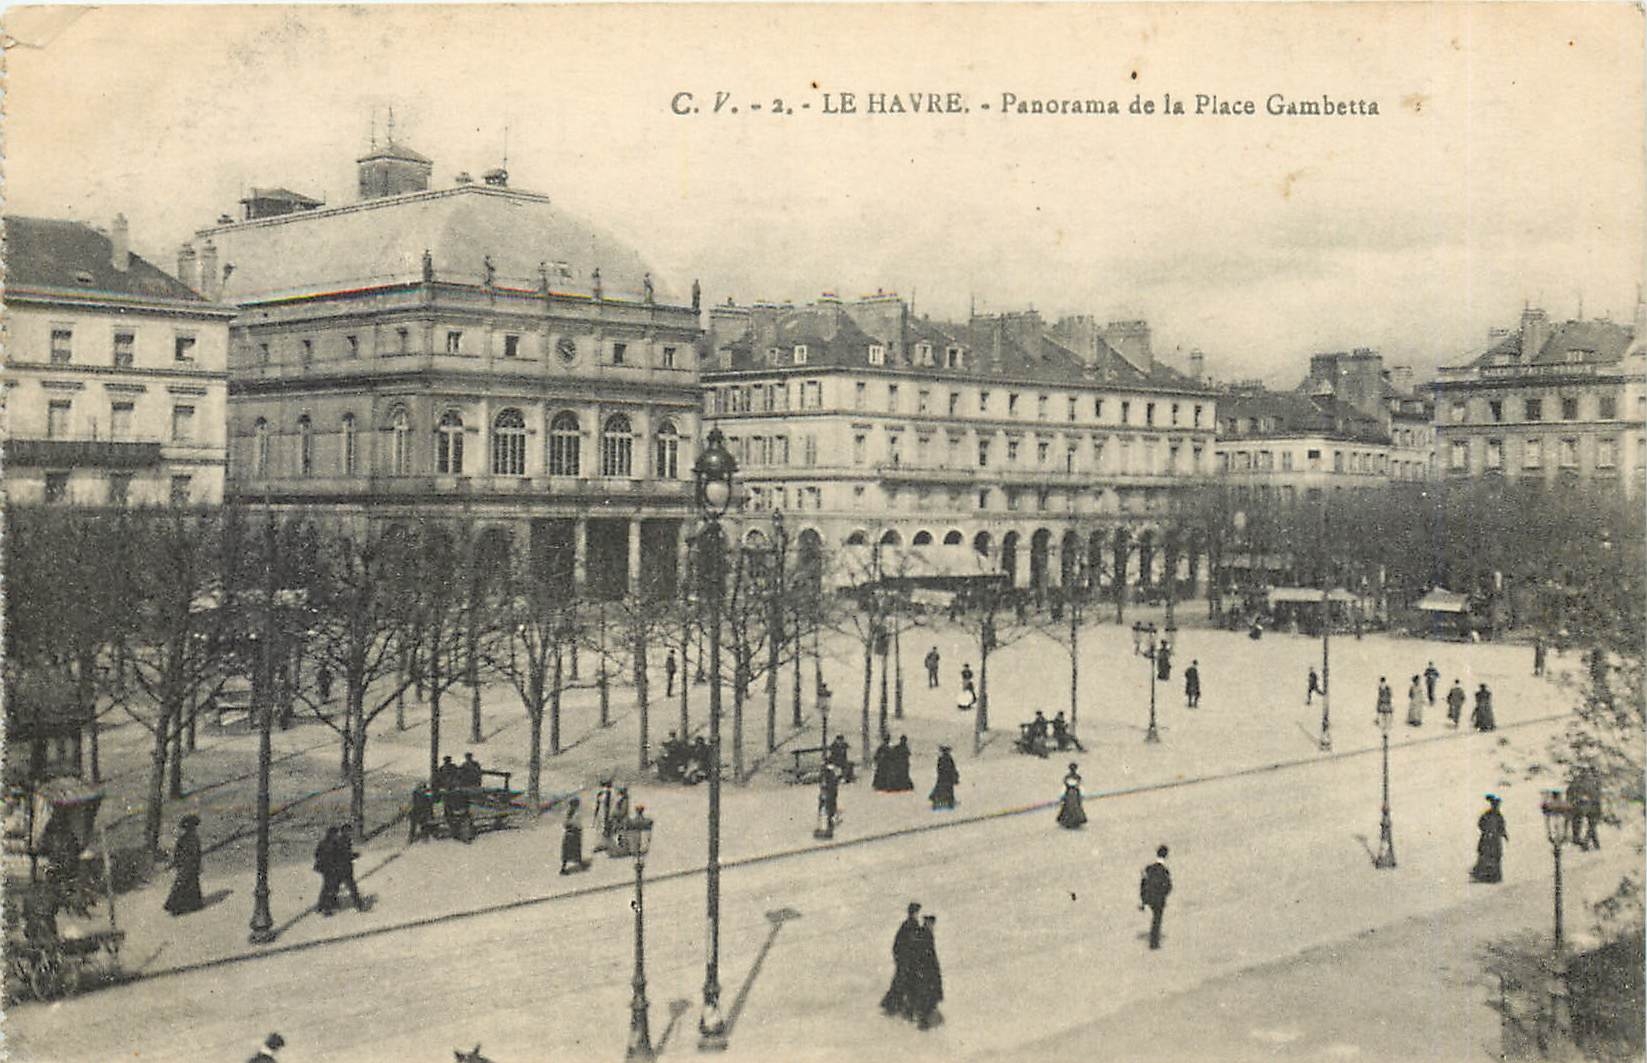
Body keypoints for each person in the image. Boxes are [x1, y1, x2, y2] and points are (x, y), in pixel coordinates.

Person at [881, 903, 922, 1018]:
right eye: (916, 912)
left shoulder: (909, 925)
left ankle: (895, 1006)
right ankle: (895, 1007)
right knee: (903, 983)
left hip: (906, 961)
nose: (916, 914)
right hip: (906, 962)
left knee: (903, 983)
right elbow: (904, 944)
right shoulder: (910, 925)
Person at [908, 914, 944, 1030]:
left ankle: (925, 1023)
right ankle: (924, 1024)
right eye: (930, 924)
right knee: (926, 998)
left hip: (927, 974)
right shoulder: (925, 936)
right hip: (926, 974)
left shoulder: (926, 935)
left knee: (927, 998)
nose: (932, 926)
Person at [164, 815, 205, 916]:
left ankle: (187, 905)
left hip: (185, 865)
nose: (194, 829)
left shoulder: (183, 839)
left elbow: (178, 853)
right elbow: (195, 854)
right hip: (189, 865)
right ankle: (180, 906)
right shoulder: (193, 838)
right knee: (186, 884)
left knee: (187, 884)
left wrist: (177, 863)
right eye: (194, 827)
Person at [1140, 845, 1173, 950]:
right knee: (1157, 920)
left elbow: (1144, 883)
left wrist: (1143, 900)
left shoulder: (1149, 868)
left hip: (1149, 898)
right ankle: (1154, 943)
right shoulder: (1164, 871)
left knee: (1155, 918)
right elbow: (1168, 886)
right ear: (1166, 856)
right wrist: (1164, 895)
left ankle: (1154, 941)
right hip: (1159, 899)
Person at [1470, 795, 1509, 883]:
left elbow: (1501, 826)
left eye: (1497, 805)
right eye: (1495, 805)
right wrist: (1486, 831)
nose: (1496, 807)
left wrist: (1503, 834)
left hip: (1494, 840)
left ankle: (1494, 877)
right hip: (1487, 839)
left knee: (1494, 856)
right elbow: (1480, 823)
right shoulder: (1487, 814)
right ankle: (1482, 876)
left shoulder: (1499, 815)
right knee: (1485, 856)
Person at [559, 796, 589, 874]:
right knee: (576, 849)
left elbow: (564, 823)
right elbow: (577, 823)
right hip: (575, 832)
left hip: (568, 833)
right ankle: (579, 864)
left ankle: (564, 867)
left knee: (567, 851)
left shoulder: (568, 813)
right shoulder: (576, 814)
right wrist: (578, 827)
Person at [1056, 763, 1087, 830]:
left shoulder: (1074, 777)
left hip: (1072, 794)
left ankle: (1072, 820)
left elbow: (1080, 786)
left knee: (1072, 807)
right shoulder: (1071, 777)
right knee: (1070, 807)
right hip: (1072, 794)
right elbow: (1065, 787)